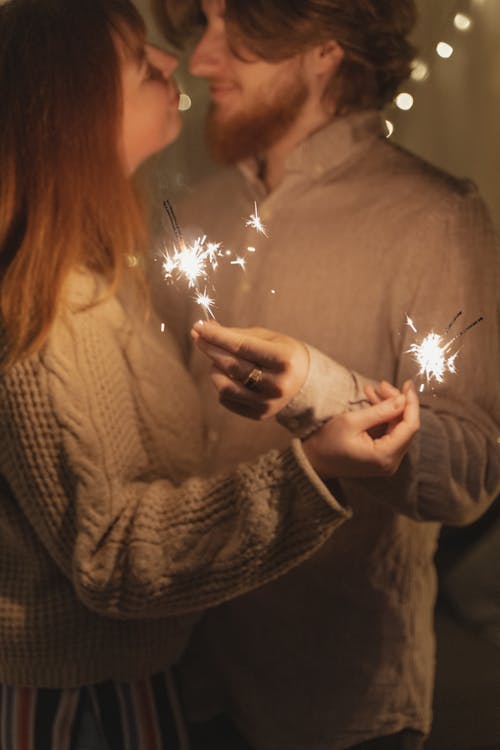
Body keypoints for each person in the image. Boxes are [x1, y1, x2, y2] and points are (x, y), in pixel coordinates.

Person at [0, 1, 420, 748]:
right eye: (140, 60)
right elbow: (111, 554)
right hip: (78, 707)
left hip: (153, 682)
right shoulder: (43, 309)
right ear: (73, 104)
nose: (179, 62)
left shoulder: (109, 275)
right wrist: (311, 469)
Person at [154, 0, 500, 748]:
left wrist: (317, 391)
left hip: (337, 702)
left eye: (235, 36)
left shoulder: (432, 216)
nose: (203, 60)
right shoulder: (197, 212)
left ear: (322, 51)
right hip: (187, 685)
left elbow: (473, 473)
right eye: (203, 28)